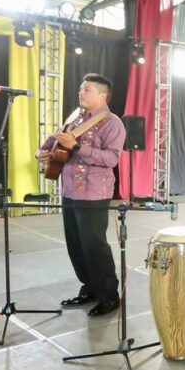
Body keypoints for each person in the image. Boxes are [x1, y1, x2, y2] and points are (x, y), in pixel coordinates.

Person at [36, 74, 126, 317]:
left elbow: (111, 158)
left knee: (94, 245)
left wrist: (77, 147)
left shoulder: (112, 123)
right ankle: (90, 288)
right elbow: (53, 142)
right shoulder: (75, 116)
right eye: (81, 88)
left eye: (87, 89)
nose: (81, 93)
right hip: (69, 190)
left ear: (102, 95)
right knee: (75, 244)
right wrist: (43, 153)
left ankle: (109, 296)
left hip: (94, 193)